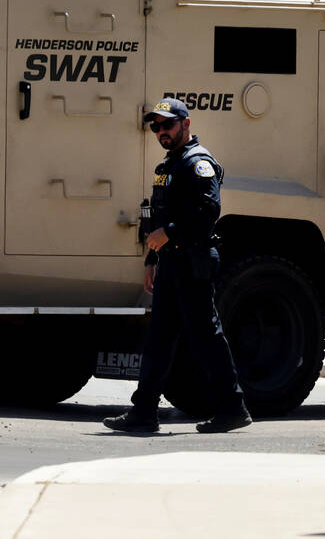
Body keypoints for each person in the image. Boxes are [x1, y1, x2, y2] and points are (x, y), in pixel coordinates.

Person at [103, 97, 252, 434]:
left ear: (186, 124)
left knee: (205, 337)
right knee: (159, 338)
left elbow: (207, 212)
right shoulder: (168, 167)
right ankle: (143, 412)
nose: (160, 131)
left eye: (167, 124)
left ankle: (233, 407)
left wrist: (168, 234)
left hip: (194, 261)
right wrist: (153, 258)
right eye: (155, 126)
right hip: (171, 262)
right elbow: (160, 216)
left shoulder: (198, 163)